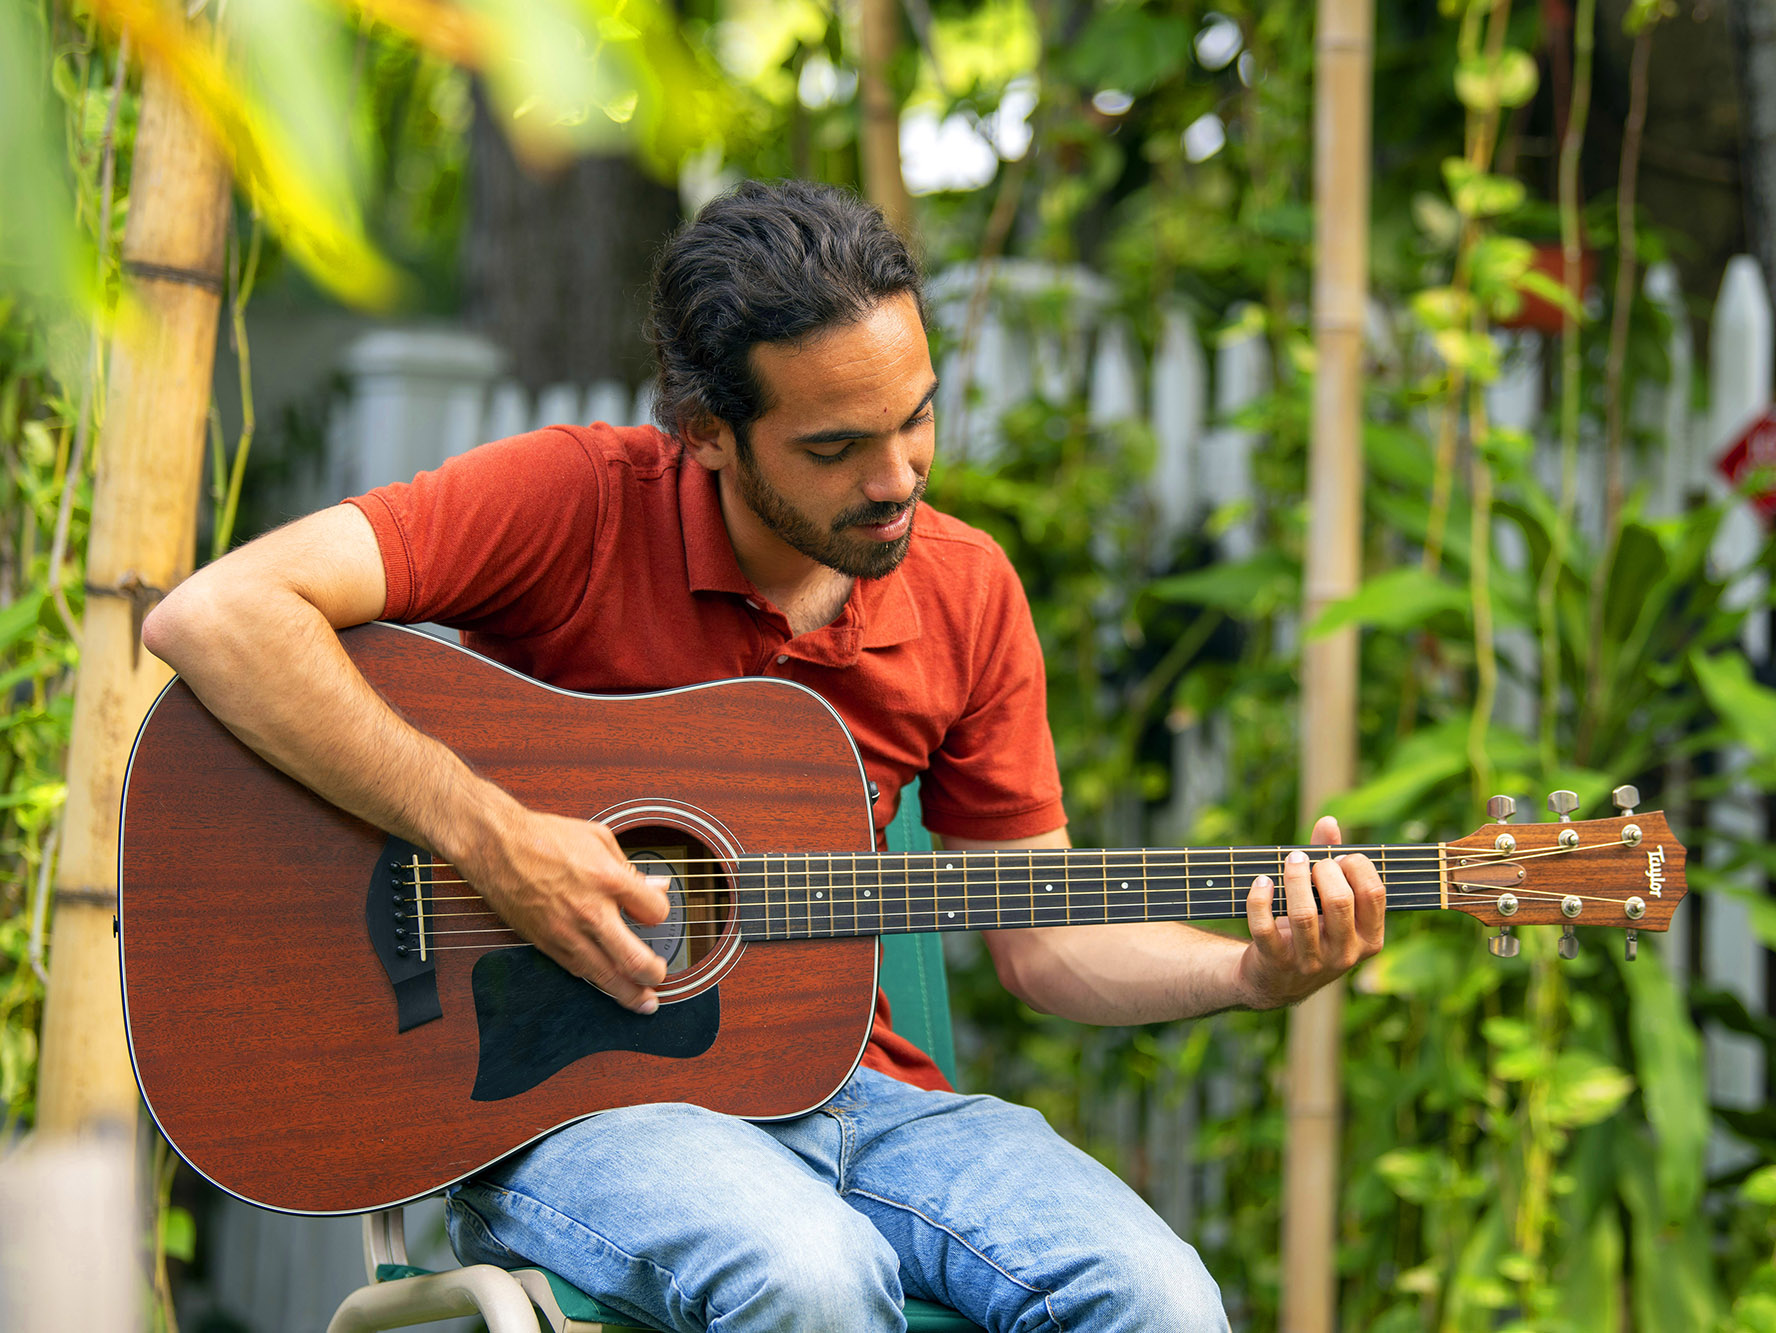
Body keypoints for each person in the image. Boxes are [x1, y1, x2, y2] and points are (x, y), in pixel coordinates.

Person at [142, 179, 1387, 1333]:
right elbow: (217, 615)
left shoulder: (964, 591)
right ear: (706, 430)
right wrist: (498, 842)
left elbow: (1047, 941)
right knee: (809, 1276)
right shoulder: (573, 504)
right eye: (836, 447)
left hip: (865, 1097)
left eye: (916, 419)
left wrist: (1251, 972)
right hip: (574, 1107)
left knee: (1160, 1296)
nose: (897, 477)